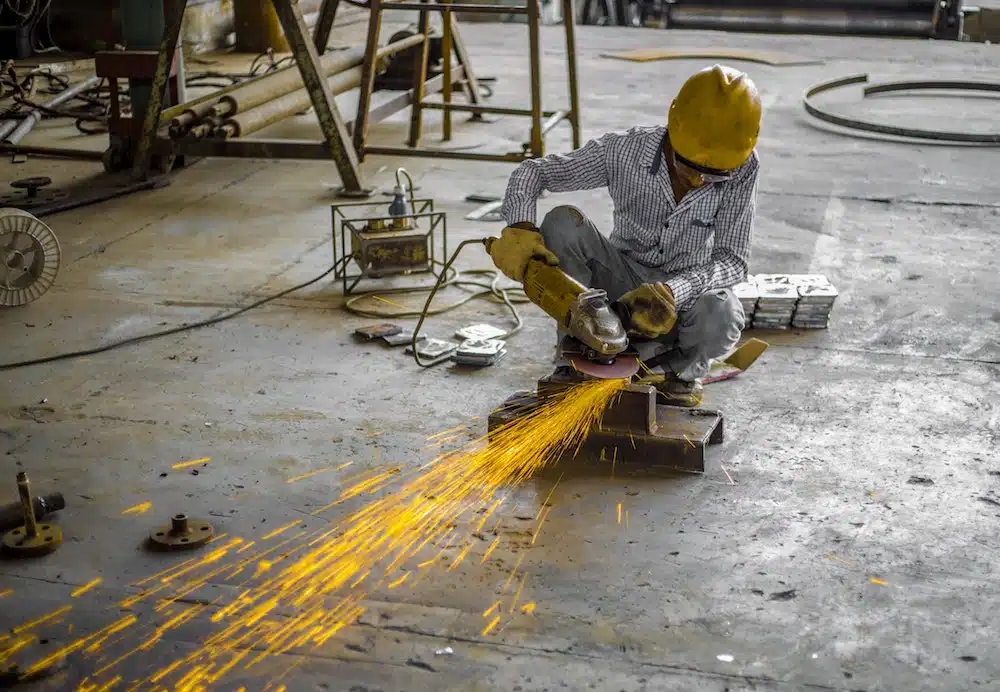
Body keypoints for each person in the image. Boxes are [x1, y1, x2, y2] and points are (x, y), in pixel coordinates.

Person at [488, 64, 762, 408]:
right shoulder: (625, 152)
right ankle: (577, 354)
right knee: (561, 223)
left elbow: (733, 261)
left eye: (715, 175)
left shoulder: (743, 168)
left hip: (685, 294)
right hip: (620, 282)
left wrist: (672, 291)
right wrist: (521, 227)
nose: (699, 181)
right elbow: (533, 173)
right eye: (690, 167)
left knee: (721, 316)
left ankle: (679, 375)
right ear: (673, 131)